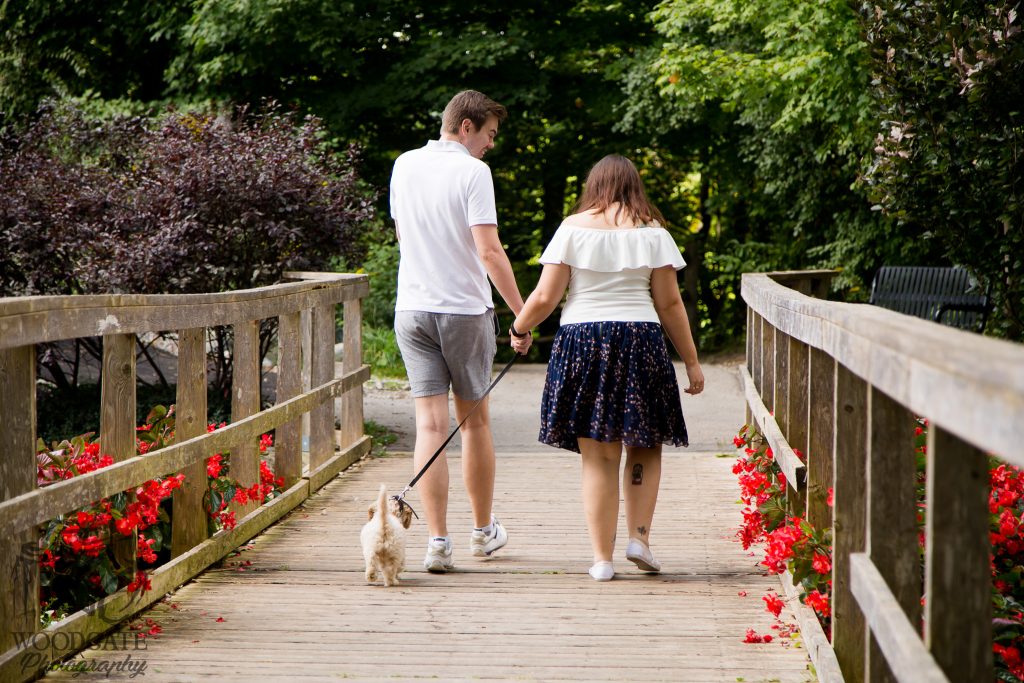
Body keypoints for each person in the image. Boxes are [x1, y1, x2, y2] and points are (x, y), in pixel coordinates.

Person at [510, 154, 704, 581]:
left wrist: (519, 327)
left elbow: (544, 297)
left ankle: (601, 560)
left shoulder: (572, 228)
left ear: (593, 186)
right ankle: (639, 538)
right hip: (641, 340)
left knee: (597, 458)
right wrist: (691, 362)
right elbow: (670, 303)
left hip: (584, 341)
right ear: (635, 186)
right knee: (644, 444)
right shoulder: (653, 232)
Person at [390, 90, 531, 573]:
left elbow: (404, 237)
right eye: (490, 134)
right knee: (474, 423)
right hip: (463, 312)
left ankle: (437, 542)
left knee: (428, 425)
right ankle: (482, 532)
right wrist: (522, 314)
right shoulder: (473, 172)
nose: (490, 145)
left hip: (412, 310)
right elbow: (489, 252)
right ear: (466, 126)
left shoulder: (404, 165)